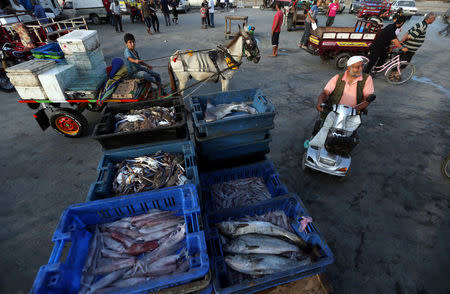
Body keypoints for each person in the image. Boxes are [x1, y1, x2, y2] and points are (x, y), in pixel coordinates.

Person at [316, 56, 375, 122]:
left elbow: (367, 99)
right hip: (334, 111)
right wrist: (320, 102)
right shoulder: (338, 77)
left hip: (353, 112)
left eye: (362, 66)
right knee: (325, 129)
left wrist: (354, 110)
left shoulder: (367, 79)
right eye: (357, 67)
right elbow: (325, 93)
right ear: (349, 68)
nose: (361, 69)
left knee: (350, 131)